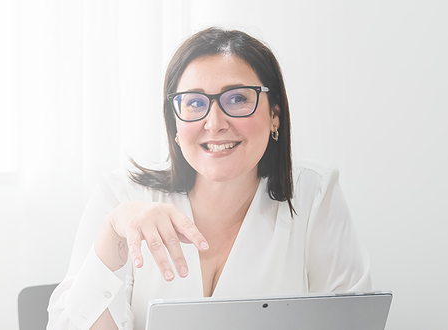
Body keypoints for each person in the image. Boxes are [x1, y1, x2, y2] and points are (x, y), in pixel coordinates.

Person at [47, 27, 372, 330]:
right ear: (174, 124)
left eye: (238, 99)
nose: (214, 123)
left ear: (275, 114)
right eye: (194, 103)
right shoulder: (120, 196)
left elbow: (351, 321)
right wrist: (112, 238)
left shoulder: (315, 193)